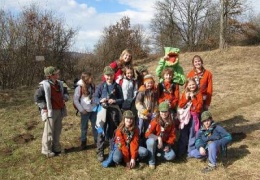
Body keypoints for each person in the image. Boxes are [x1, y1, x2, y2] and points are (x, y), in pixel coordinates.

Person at [93, 66, 124, 162]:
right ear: (104, 75)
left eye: (111, 75)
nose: (109, 77)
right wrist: (100, 100)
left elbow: (122, 99)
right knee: (101, 131)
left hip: (113, 112)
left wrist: (114, 100)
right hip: (102, 111)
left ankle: (112, 149)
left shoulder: (117, 86)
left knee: (112, 131)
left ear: (114, 75)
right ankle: (100, 151)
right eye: (107, 75)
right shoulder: (100, 86)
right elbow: (94, 98)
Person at [37, 66, 69, 157]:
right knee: (48, 132)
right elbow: (38, 99)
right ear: (50, 75)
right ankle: (46, 150)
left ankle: (56, 148)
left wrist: (65, 98)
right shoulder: (43, 85)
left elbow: (66, 93)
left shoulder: (61, 83)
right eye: (56, 73)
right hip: (50, 112)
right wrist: (44, 107)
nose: (58, 74)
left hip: (59, 110)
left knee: (57, 130)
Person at [145, 102, 176, 169]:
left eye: (166, 111)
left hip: (164, 143)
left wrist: (168, 145)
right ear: (159, 112)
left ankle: (157, 155)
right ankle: (151, 161)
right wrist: (158, 138)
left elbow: (172, 135)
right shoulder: (155, 121)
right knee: (151, 142)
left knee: (172, 155)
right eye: (162, 111)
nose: (164, 113)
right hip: (155, 142)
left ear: (168, 112)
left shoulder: (171, 122)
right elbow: (147, 134)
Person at [177, 78, 203, 157]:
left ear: (196, 85)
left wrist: (193, 98)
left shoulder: (198, 94)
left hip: (194, 116)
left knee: (192, 133)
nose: (192, 86)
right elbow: (181, 105)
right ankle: (181, 150)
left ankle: (190, 150)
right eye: (190, 85)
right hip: (185, 117)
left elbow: (199, 108)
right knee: (183, 132)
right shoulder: (185, 93)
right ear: (187, 86)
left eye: (193, 84)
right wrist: (186, 98)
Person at [73, 72, 97, 150]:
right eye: (90, 78)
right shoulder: (79, 88)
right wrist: (82, 110)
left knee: (96, 126)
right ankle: (83, 142)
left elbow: (94, 96)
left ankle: (97, 141)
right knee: (84, 128)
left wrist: (96, 105)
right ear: (86, 79)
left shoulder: (93, 86)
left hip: (93, 110)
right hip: (84, 111)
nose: (92, 79)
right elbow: (75, 100)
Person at [135, 74, 158, 147]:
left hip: (151, 116)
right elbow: (138, 104)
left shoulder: (154, 92)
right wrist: (145, 112)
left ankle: (147, 144)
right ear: (145, 83)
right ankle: (139, 145)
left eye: (151, 83)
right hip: (142, 115)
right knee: (140, 130)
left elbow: (156, 103)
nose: (150, 84)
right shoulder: (142, 91)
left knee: (148, 130)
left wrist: (155, 111)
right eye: (148, 83)